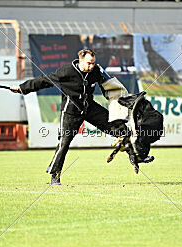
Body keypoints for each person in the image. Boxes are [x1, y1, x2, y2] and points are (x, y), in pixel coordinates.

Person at [11, 49, 128, 185]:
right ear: (80, 60)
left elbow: (109, 85)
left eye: (93, 63)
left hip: (90, 108)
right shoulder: (66, 71)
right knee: (64, 143)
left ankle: (138, 155)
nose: (91, 67)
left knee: (120, 128)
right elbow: (44, 81)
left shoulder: (95, 71)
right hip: (70, 112)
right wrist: (21, 88)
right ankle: (55, 175)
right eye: (89, 63)